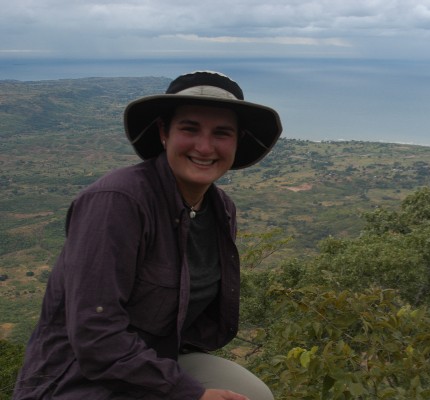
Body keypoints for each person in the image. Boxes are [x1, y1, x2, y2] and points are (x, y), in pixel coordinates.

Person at [13, 71, 282, 400]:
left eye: (222, 133)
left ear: (237, 141)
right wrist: (189, 394)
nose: (204, 146)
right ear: (164, 133)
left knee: (254, 395)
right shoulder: (117, 201)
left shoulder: (221, 210)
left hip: (155, 362)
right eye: (189, 128)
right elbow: (95, 335)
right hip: (79, 379)